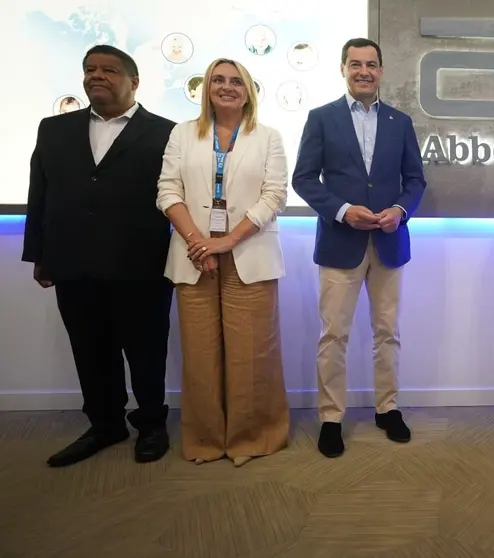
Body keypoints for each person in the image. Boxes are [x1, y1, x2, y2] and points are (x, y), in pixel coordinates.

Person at [22, 45, 176, 467]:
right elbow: (41, 194)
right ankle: (105, 424)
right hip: (72, 262)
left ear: (134, 81)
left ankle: (151, 424)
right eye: (90, 69)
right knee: (90, 350)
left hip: (141, 264)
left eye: (109, 70)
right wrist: (38, 253)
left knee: (146, 350)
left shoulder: (167, 132)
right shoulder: (53, 129)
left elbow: (178, 199)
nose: (97, 76)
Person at [293, 38, 427, 458]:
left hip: (388, 242)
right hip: (340, 242)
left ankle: (388, 408)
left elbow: (416, 180)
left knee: (387, 333)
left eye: (371, 64)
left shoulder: (399, 121)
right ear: (343, 69)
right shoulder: (321, 118)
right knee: (334, 334)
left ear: (381, 70)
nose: (364, 71)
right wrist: (343, 210)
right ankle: (331, 417)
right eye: (356, 64)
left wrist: (401, 210)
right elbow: (304, 179)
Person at [156, 58, 291, 467]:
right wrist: (200, 242)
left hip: (249, 252)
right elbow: (166, 191)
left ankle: (252, 436)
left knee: (251, 353)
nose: (227, 86)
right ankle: (206, 439)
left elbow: (275, 195)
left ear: (248, 90)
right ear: (206, 89)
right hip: (194, 255)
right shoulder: (182, 134)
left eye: (236, 81)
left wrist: (228, 241)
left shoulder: (267, 137)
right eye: (218, 79)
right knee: (200, 353)